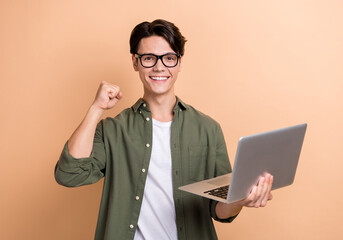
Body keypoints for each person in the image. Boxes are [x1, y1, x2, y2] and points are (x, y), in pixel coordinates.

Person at [55, 19, 273, 240]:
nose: (159, 67)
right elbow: (69, 174)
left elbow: (219, 209)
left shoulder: (208, 129)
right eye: (149, 58)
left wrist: (242, 200)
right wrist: (96, 108)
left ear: (179, 63)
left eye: (169, 58)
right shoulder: (113, 130)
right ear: (135, 62)